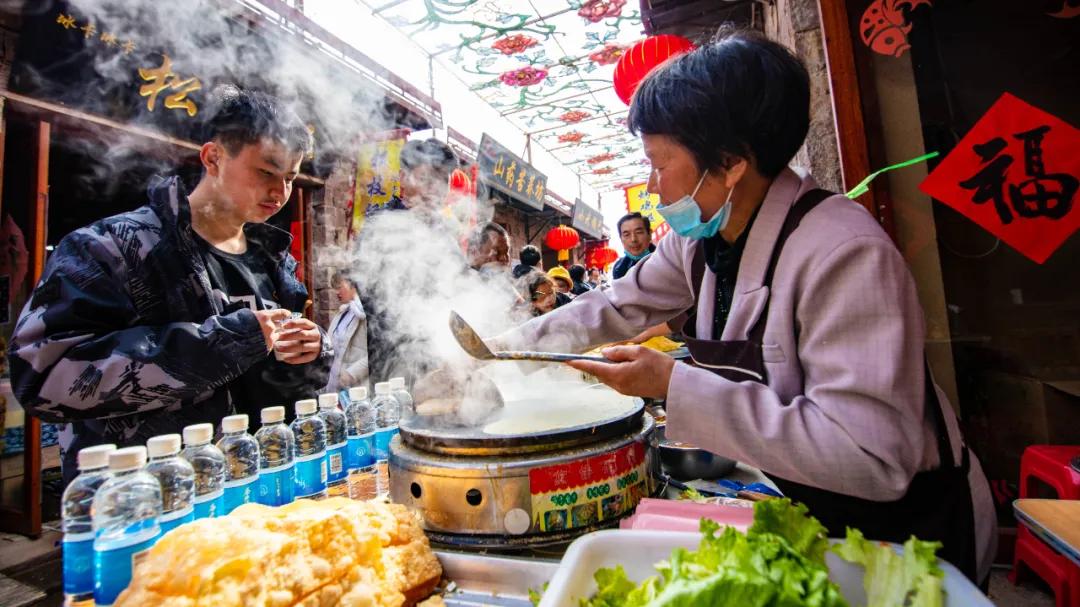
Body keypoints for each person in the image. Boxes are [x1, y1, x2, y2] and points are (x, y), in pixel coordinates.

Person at [498, 30, 994, 585]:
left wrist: (673, 384)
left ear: (731, 161)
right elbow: (616, 305)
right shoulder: (698, 240)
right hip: (809, 511)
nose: (652, 187)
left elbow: (868, 455)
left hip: (907, 534)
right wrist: (504, 351)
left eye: (660, 164)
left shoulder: (843, 252)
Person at [8, 88, 330, 482]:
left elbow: (279, 378)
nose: (280, 192)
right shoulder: (112, 246)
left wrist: (314, 350)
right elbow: (42, 378)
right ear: (213, 157)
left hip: (263, 484)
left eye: (290, 178)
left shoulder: (274, 258)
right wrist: (224, 343)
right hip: (149, 493)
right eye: (266, 172)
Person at [380, 138, 458, 213]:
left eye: (445, 182)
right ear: (403, 177)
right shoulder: (381, 219)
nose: (435, 190)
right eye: (426, 179)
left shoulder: (444, 220)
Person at [325, 271, 368, 392]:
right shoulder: (342, 313)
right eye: (335, 288)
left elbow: (376, 353)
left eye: (339, 287)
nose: (337, 292)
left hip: (356, 387)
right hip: (334, 383)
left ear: (353, 285)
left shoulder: (367, 314)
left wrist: (351, 374)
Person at [611, 212, 655, 280]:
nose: (633, 239)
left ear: (650, 234)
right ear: (621, 239)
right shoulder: (618, 268)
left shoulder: (664, 260)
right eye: (627, 235)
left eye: (638, 232)